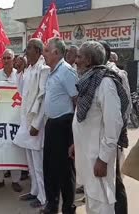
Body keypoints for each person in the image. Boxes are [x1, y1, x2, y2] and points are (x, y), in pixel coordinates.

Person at [71, 41, 129, 214]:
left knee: (103, 206)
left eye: (79, 56)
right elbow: (87, 121)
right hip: (87, 156)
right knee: (93, 204)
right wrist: (77, 143)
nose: (75, 60)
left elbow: (114, 124)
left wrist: (103, 159)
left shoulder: (105, 84)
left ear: (89, 60)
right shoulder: (89, 81)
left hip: (98, 160)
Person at [41, 37, 78, 214]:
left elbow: (77, 101)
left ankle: (68, 208)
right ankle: (51, 205)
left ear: (56, 53)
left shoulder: (66, 71)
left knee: (64, 171)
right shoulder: (52, 71)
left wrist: (73, 137)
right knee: (49, 167)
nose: (44, 53)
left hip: (64, 125)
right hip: (51, 124)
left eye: (47, 51)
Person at [14, 39, 49, 208]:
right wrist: (20, 71)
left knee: (38, 162)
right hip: (26, 121)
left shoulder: (43, 69)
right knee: (30, 161)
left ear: (38, 51)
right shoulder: (29, 69)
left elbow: (43, 98)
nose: (26, 51)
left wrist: (36, 123)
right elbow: (21, 91)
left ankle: (43, 197)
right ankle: (35, 190)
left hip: (36, 123)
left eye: (28, 48)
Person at [100, 41, 130, 214]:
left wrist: (117, 130)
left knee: (115, 180)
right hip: (98, 137)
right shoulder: (95, 74)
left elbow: (125, 107)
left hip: (113, 135)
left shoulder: (116, 74)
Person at [0, 49, 23, 193]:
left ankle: (16, 180)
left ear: (14, 59)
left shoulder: (20, 75)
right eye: (4, 58)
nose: (6, 60)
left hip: (15, 117)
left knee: (15, 148)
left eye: (9, 58)